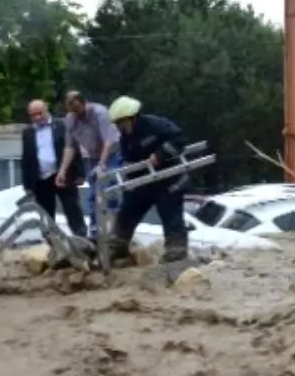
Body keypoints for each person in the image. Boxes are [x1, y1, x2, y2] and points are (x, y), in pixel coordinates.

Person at [106, 96, 191, 263]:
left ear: (132, 118)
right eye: (117, 124)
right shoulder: (125, 138)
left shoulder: (155, 125)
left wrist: (160, 155)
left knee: (171, 214)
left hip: (169, 178)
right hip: (144, 180)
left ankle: (176, 251)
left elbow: (179, 139)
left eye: (121, 123)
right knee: (127, 211)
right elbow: (128, 157)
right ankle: (117, 246)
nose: (119, 127)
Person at [56, 91, 122, 238]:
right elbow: (70, 147)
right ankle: (94, 232)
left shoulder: (100, 113)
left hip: (112, 154)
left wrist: (103, 163)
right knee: (93, 194)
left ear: (84, 103)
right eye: (72, 110)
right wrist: (62, 171)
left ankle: (116, 230)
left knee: (109, 191)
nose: (76, 114)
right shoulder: (70, 120)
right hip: (92, 157)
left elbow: (109, 140)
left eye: (78, 109)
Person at [21, 99, 87, 236]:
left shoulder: (61, 126)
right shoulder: (27, 133)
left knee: (72, 209)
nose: (38, 117)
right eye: (33, 115)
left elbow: (74, 148)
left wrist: (80, 173)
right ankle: (53, 244)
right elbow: (26, 158)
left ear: (47, 110)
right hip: (41, 179)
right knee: (46, 215)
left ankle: (82, 239)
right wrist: (27, 184)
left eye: (40, 113)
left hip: (63, 175)